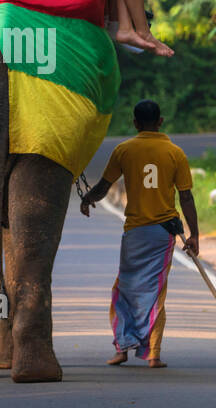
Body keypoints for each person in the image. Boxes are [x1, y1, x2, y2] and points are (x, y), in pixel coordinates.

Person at [79, 100, 199, 368]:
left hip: (134, 233)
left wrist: (87, 198)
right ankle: (153, 354)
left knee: (125, 290)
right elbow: (186, 197)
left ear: (135, 123)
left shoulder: (124, 149)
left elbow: (103, 185)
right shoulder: (175, 153)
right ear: (161, 121)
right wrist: (195, 236)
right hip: (163, 233)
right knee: (155, 292)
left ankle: (122, 348)